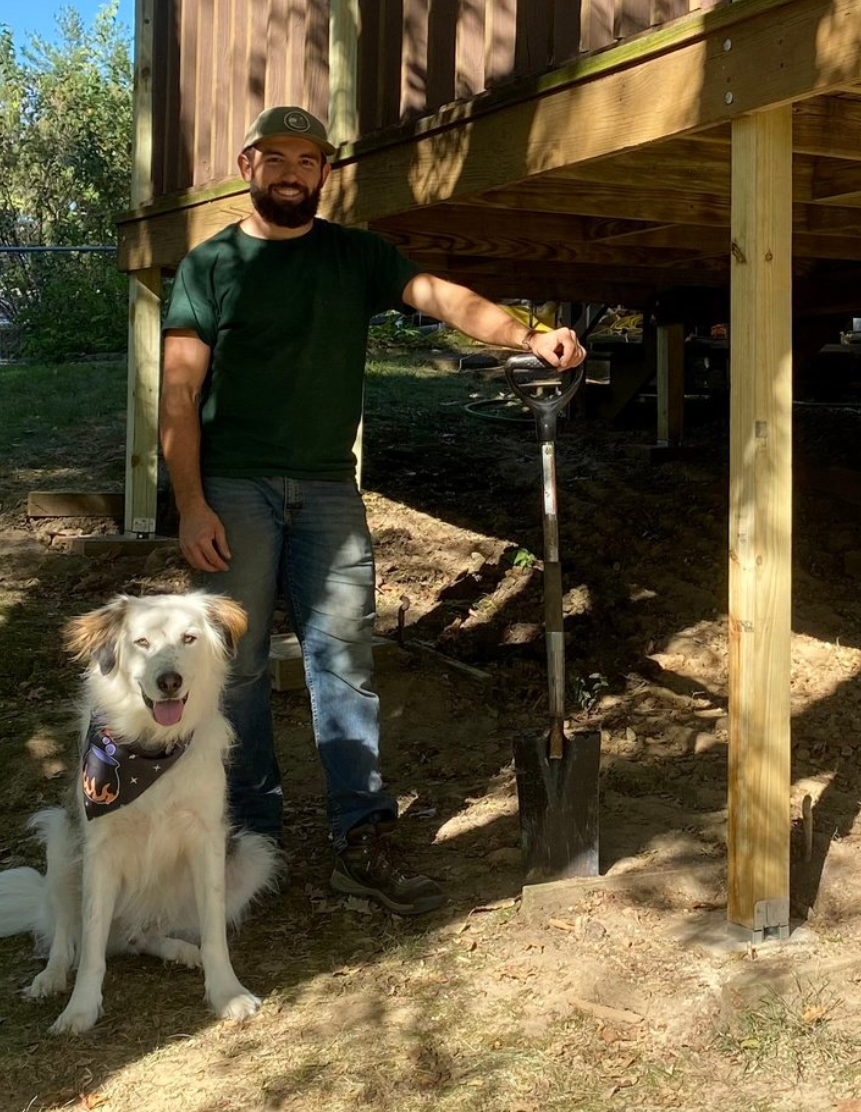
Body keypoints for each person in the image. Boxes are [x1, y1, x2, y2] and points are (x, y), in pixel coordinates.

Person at [160, 106, 585, 916]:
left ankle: (363, 835)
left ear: (325, 174)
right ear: (249, 166)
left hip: (326, 489)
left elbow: (443, 298)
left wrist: (527, 334)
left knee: (345, 661)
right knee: (237, 668)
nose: (292, 173)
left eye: (307, 160)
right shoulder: (209, 266)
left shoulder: (354, 255)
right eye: (277, 158)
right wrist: (189, 504)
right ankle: (251, 838)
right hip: (235, 489)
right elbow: (180, 392)